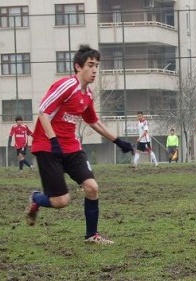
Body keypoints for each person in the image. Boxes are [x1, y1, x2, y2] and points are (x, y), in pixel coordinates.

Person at [25, 45, 133, 244]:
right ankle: (36, 199)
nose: (94, 70)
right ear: (78, 67)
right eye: (90, 65)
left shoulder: (88, 95)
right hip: (48, 147)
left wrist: (117, 140)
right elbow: (43, 111)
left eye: (96, 66)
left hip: (72, 148)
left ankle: (92, 235)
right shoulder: (67, 85)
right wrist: (53, 141)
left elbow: (93, 121)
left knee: (92, 187)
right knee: (61, 201)